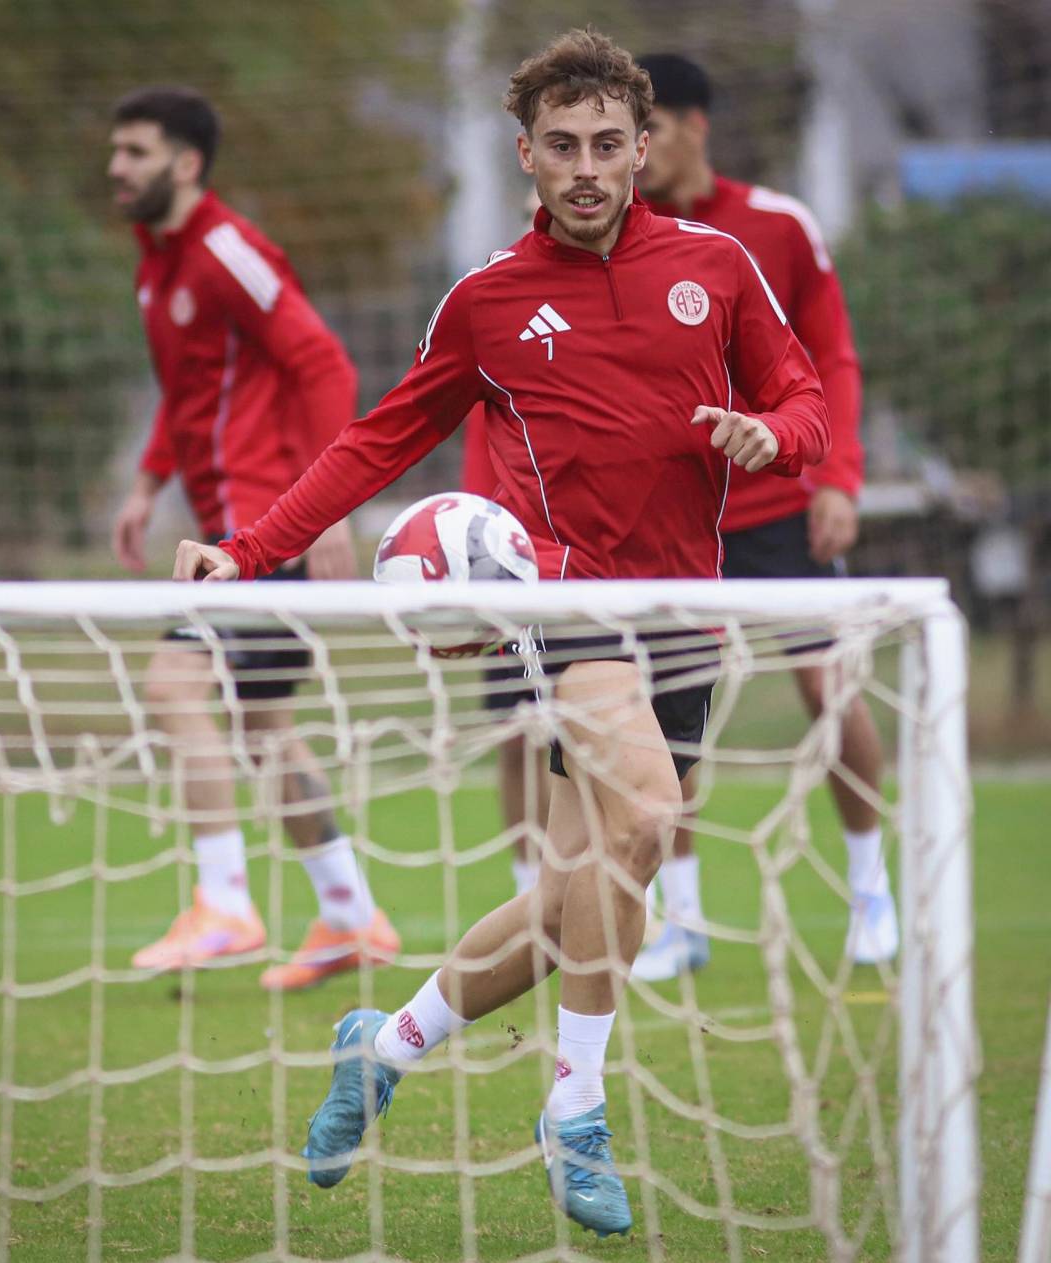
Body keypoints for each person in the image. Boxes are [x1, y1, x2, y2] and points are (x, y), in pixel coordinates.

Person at [174, 30, 829, 1236]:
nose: (586, 168)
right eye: (561, 147)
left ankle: (386, 1045)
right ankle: (577, 1111)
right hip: (560, 605)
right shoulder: (487, 300)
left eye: (607, 146)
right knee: (642, 822)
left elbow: (806, 403)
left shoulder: (721, 266)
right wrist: (250, 546)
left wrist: (769, 438)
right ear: (525, 155)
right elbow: (377, 439)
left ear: (645, 149)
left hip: (688, 609)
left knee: (587, 885)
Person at [108, 86, 399, 989]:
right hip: (227, 528)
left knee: (172, 681)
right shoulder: (157, 266)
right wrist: (149, 481)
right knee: (265, 726)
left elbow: (322, 360)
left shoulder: (226, 249)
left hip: (263, 530)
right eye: (115, 150)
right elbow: (192, 392)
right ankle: (352, 915)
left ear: (187, 164)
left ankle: (226, 901)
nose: (117, 167)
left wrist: (329, 509)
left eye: (137, 151)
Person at [630, 54, 896, 982]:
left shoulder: (778, 224)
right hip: (674, 521)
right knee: (672, 723)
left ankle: (872, 894)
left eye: (645, 130)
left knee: (829, 690)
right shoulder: (619, 237)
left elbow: (834, 355)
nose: (628, 154)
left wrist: (839, 474)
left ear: (694, 126)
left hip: (782, 504)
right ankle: (684, 921)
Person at [460, 184, 551, 899]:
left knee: (587, 732)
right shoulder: (490, 302)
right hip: (503, 558)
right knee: (516, 729)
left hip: (589, 570)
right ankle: (530, 886)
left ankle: (657, 893)